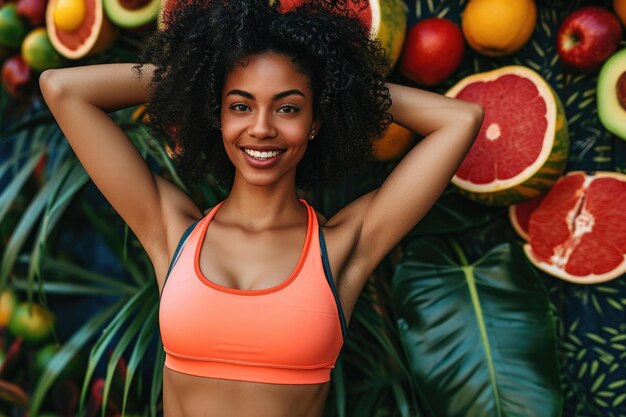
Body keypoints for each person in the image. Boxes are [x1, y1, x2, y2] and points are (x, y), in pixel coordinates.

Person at [38, 0, 484, 415]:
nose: (262, 127)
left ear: (315, 122)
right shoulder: (170, 229)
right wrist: (194, 77)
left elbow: (459, 121)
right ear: (219, 114)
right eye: (240, 105)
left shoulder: (345, 245)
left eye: (288, 108)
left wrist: (342, 84)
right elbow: (62, 89)